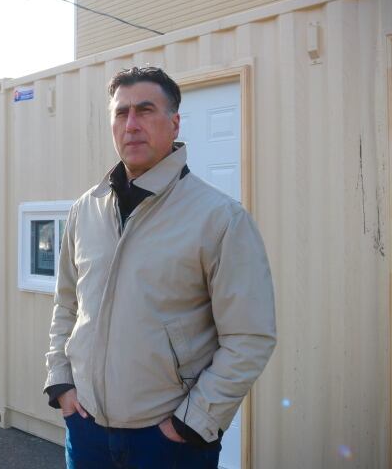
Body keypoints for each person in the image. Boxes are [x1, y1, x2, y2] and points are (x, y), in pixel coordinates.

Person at [44, 66, 276, 468]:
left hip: (169, 443)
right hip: (87, 432)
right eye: (121, 113)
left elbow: (250, 337)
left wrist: (191, 422)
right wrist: (61, 381)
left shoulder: (220, 219)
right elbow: (67, 304)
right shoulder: (85, 210)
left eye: (145, 110)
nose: (131, 124)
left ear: (174, 123)